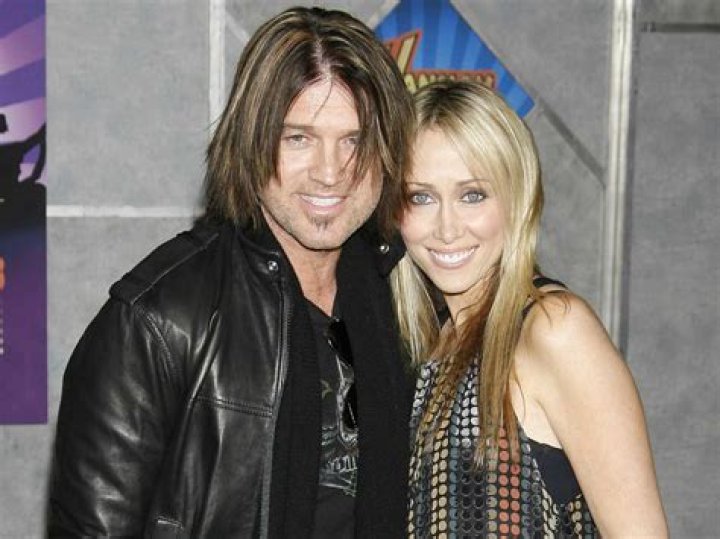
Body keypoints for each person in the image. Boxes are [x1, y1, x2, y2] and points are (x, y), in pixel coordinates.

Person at [48, 7, 414, 538]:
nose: (330, 172)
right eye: (298, 138)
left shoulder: (405, 302)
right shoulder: (156, 322)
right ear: (251, 141)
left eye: (354, 141)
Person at [391, 80, 668, 537]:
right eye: (421, 197)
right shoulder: (432, 347)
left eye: (472, 195)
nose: (446, 228)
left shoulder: (555, 330)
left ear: (517, 200)